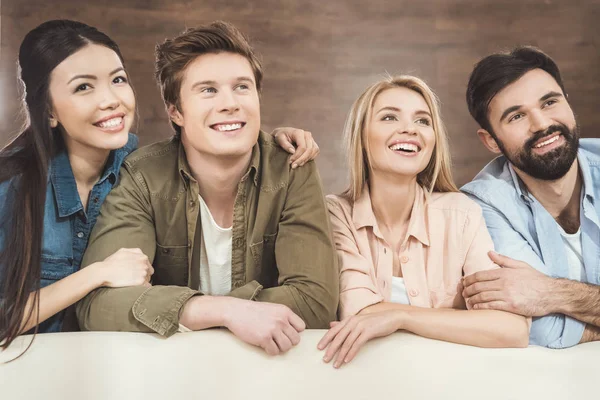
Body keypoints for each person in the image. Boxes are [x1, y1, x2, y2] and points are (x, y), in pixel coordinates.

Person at [0, 19, 318, 351]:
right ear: (49, 110)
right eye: (84, 87)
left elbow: (204, 140)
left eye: (118, 80)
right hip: (25, 369)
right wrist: (96, 274)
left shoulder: (134, 168)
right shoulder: (11, 186)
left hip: (110, 366)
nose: (110, 100)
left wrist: (262, 140)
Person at [318, 75, 529, 368]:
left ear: (432, 141)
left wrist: (400, 316)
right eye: (389, 117)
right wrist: (465, 322)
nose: (409, 129)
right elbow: (361, 313)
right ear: (361, 136)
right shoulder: (334, 214)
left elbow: (512, 329)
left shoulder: (461, 213)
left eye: (422, 121)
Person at [461, 46, 600, 348]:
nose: (541, 124)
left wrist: (551, 293)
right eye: (516, 116)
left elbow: (542, 309)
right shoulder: (481, 205)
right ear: (490, 141)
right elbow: (537, 330)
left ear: (567, 102)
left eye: (549, 102)